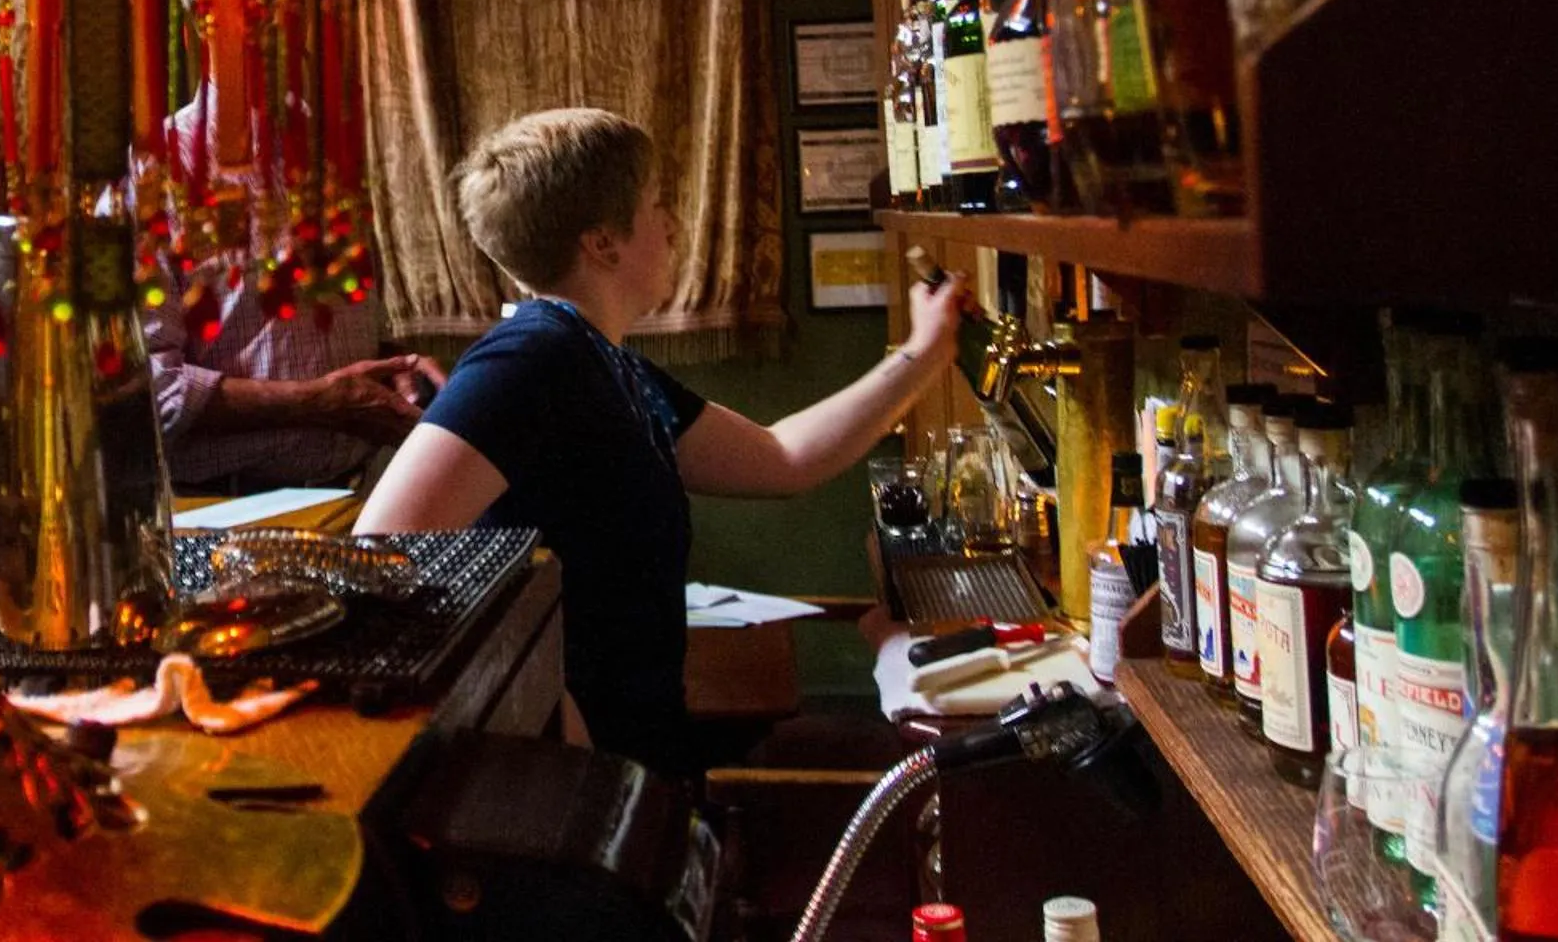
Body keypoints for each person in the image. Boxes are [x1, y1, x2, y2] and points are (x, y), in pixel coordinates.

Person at [355, 108, 967, 775]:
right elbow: (381, 554)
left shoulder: (607, 364)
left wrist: (924, 352)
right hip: (580, 775)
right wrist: (540, 701)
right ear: (603, 244)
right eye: (655, 204)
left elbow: (785, 456)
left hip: (642, 748)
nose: (673, 223)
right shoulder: (531, 360)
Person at [142, 87, 442, 494]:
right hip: (223, 507)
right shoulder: (155, 168)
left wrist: (394, 365)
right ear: (200, 24)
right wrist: (319, 402)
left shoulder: (327, 145)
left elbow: (297, 336)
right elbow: (148, 391)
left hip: (353, 491)